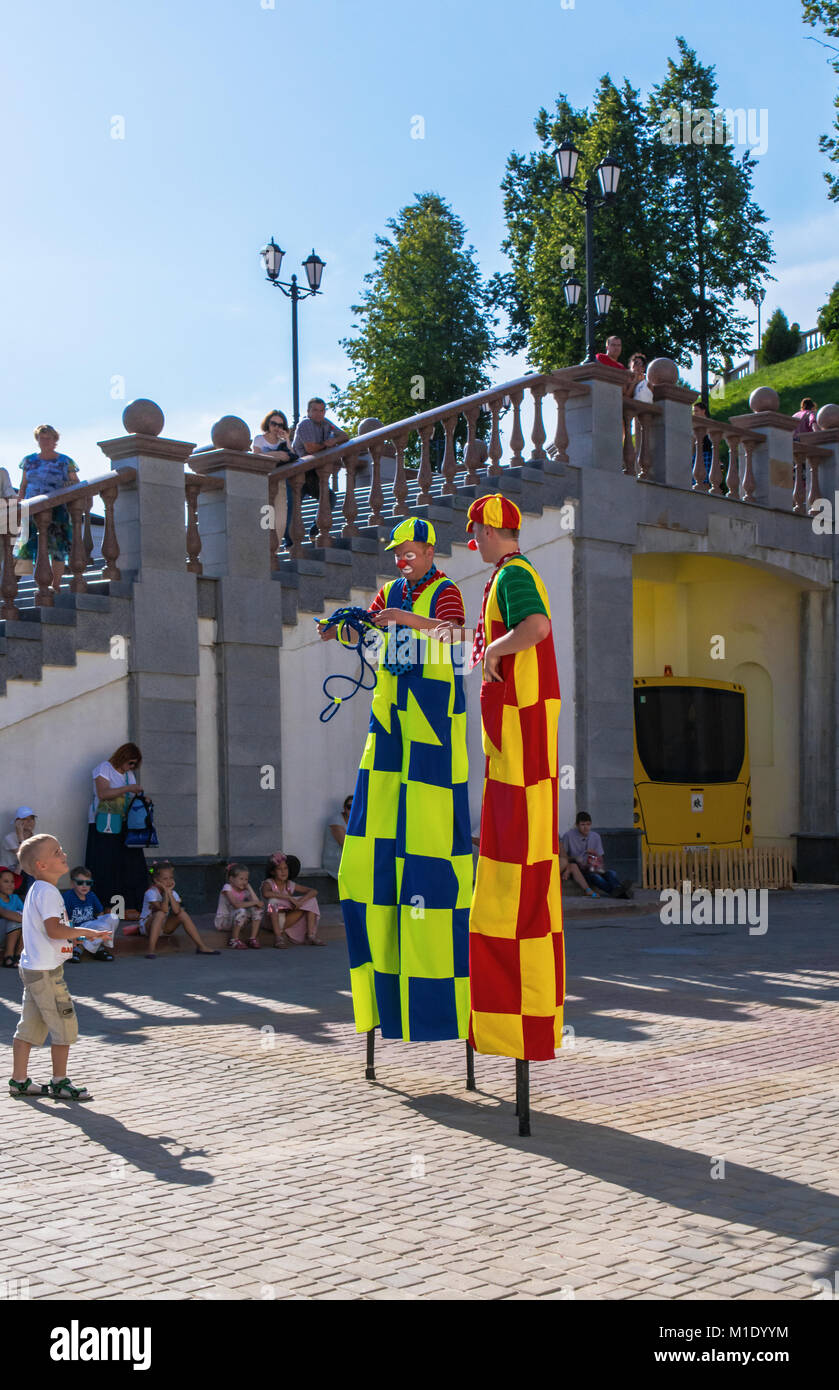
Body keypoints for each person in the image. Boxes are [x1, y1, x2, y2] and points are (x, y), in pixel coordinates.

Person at [321, 516, 470, 1039]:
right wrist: (348, 628)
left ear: (428, 550)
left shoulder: (445, 591)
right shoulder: (392, 589)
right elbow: (374, 636)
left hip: (432, 711)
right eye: (397, 552)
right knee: (381, 809)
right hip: (391, 709)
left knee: (429, 810)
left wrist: (404, 617)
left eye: (409, 551)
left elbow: (456, 636)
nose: (401, 559)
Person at [462, 493, 565, 1062]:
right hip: (518, 749)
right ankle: (510, 1024)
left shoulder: (513, 574)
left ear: (492, 529)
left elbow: (537, 626)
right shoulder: (508, 573)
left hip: (521, 748)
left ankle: (518, 1022)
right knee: (517, 864)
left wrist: (495, 649)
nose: (471, 540)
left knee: (518, 869)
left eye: (475, 530)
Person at [9, 833, 111, 1101]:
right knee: (64, 1025)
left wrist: (73, 938)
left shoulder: (38, 890)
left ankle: (19, 1081)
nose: (63, 853)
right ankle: (60, 1082)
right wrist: (86, 932)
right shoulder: (49, 892)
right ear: (41, 865)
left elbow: (49, 933)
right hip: (45, 973)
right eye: (56, 852)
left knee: (29, 1026)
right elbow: (55, 930)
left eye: (61, 849)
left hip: (34, 969)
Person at [85, 744, 149, 919]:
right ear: (123, 757)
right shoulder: (104, 768)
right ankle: (104, 906)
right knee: (105, 865)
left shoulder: (129, 774)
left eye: (135, 765)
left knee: (130, 865)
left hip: (123, 824)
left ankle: (130, 906)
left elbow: (131, 797)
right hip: (104, 823)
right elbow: (103, 793)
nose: (132, 767)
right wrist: (129, 788)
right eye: (130, 763)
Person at [14, 426, 80, 594]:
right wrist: (19, 504)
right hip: (32, 509)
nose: (44, 441)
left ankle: (56, 585)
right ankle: (43, 583)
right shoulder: (28, 460)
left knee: (57, 548)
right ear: (37, 440)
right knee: (35, 546)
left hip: (57, 509)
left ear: (55, 440)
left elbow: (76, 482)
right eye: (41, 438)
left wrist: (67, 486)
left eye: (48, 438)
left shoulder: (65, 461)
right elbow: (23, 485)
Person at [292, 398, 349, 539]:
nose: (319, 413)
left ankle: (314, 531)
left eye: (322, 410)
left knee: (329, 498)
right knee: (293, 506)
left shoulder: (326, 423)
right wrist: (326, 444)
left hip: (315, 471)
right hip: (299, 471)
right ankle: (289, 541)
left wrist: (334, 440)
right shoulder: (305, 423)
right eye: (315, 410)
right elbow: (310, 448)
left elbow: (344, 435)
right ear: (308, 411)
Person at [139, 862, 220, 959]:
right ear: (156, 880)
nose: (169, 881)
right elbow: (164, 910)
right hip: (147, 927)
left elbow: (177, 911)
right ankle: (151, 950)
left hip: (164, 926)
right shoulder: (151, 893)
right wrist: (166, 892)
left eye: (171, 878)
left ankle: (201, 946)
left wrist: (169, 893)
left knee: (183, 914)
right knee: (160, 914)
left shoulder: (173, 892)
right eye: (165, 879)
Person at [252, 409, 297, 550]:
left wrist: (288, 440)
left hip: (280, 485)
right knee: (266, 521)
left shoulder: (283, 443)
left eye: (280, 425)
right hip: (263, 485)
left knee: (281, 521)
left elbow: (294, 457)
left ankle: (274, 552)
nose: (276, 428)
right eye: (273, 424)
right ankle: (266, 554)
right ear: (268, 424)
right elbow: (256, 456)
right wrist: (276, 454)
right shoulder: (259, 439)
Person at [562, 811, 633, 898]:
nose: (586, 828)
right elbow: (563, 857)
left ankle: (618, 890)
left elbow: (601, 858)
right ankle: (621, 892)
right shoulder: (568, 836)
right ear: (577, 825)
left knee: (611, 873)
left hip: (594, 867)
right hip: (580, 870)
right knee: (596, 878)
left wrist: (595, 855)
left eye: (588, 824)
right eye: (583, 825)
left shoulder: (595, 836)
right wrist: (575, 858)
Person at [261, 853, 324, 946]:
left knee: (311, 900)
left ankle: (311, 936)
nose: (283, 872)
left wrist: (300, 901)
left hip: (286, 921)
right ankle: (278, 938)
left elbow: (314, 891)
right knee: (273, 901)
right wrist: (289, 897)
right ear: (272, 872)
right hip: (270, 922)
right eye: (279, 869)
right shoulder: (269, 883)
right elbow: (266, 893)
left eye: (285, 868)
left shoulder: (290, 884)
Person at [62, 866, 115, 963]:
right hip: (76, 931)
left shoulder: (91, 895)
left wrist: (100, 927)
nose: (84, 886)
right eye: (80, 882)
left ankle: (97, 946)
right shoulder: (68, 897)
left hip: (90, 930)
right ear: (72, 884)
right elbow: (65, 918)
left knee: (113, 918)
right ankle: (88, 950)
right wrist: (71, 937)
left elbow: (100, 914)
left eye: (88, 883)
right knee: (102, 927)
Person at [214, 863, 264, 949]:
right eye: (241, 879)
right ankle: (234, 940)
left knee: (257, 909)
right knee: (242, 910)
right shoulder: (227, 888)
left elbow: (258, 903)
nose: (244, 882)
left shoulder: (244, 889)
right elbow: (236, 905)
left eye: (246, 879)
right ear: (231, 879)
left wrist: (249, 888)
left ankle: (252, 938)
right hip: (224, 922)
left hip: (237, 919)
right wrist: (254, 903)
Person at [2, 807, 37, 894]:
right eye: (25, 819)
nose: (30, 822)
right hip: (8, 871)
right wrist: (20, 835)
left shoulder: (37, 837)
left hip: (23, 870)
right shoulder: (9, 838)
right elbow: (23, 855)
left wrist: (20, 868)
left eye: (32, 819)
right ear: (17, 822)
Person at [322, 795, 353, 880]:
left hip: (347, 860)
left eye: (355, 807)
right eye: (349, 807)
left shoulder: (356, 822)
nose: (352, 810)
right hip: (335, 861)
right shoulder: (336, 821)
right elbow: (345, 845)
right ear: (344, 807)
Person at [0, 867, 24, 966]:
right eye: (6, 881)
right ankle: (8, 956)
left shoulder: (15, 898)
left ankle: (19, 955)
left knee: (27, 923)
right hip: (2, 935)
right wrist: (29, 919)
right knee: (14, 920)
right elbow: (4, 913)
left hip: (14, 935)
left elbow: (26, 913)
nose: (10, 885)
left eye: (12, 882)